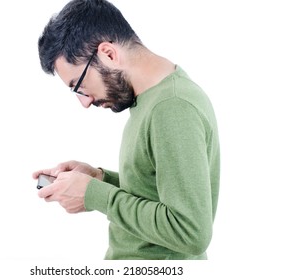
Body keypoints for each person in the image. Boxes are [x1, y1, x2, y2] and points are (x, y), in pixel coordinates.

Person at [34, 0, 220, 260]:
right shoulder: (153, 99)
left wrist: (94, 194)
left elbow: (190, 232)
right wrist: (100, 179)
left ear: (108, 54)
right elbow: (158, 191)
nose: (85, 102)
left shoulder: (171, 107)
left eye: (80, 86)